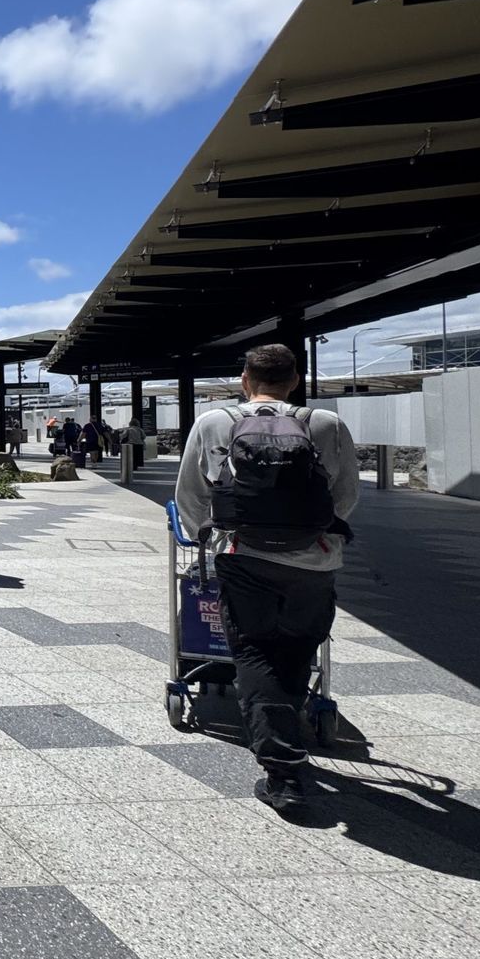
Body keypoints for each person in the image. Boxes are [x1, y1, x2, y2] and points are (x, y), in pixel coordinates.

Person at [175, 344, 358, 816]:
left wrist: (207, 539)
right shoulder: (326, 424)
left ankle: (283, 770)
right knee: (298, 646)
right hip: (313, 561)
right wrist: (310, 533)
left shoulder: (215, 422)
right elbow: (345, 497)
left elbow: (192, 496)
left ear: (244, 379)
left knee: (254, 649)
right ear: (294, 379)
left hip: (242, 555)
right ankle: (286, 733)